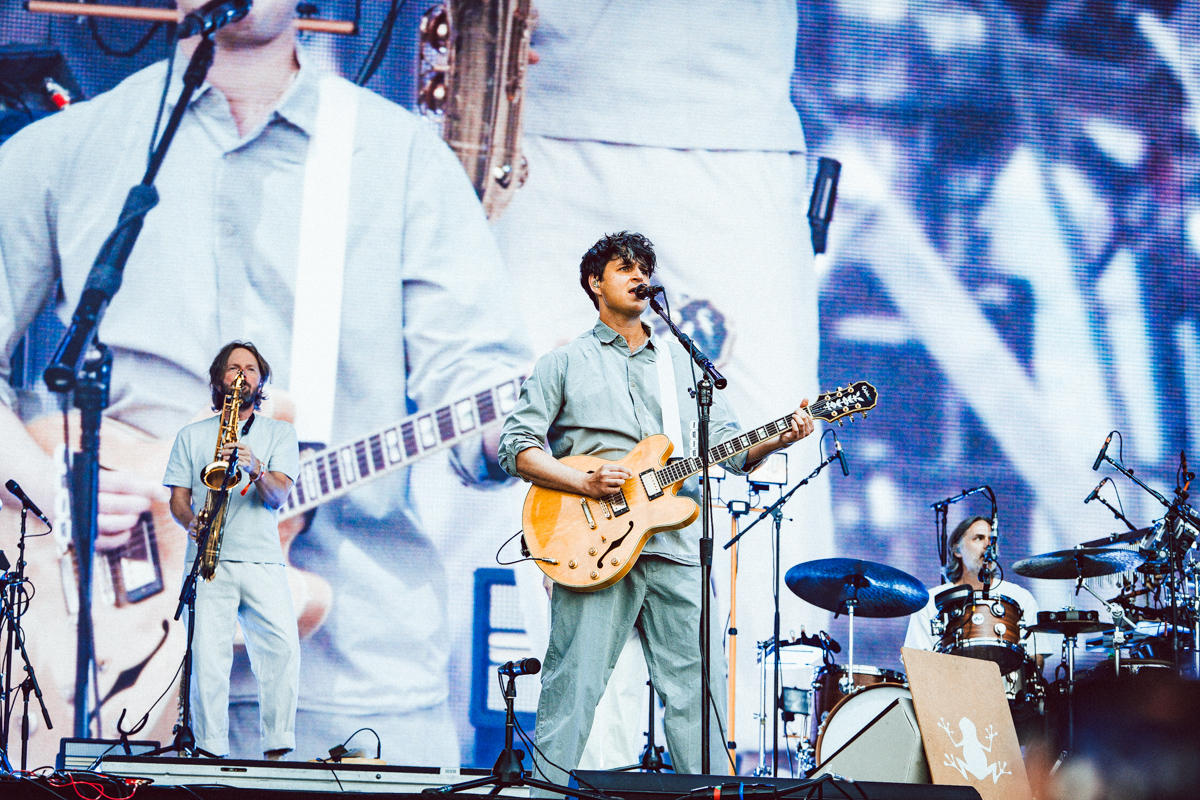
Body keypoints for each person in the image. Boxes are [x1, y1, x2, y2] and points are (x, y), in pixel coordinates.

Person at [0, 0, 528, 766]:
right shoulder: (68, 149)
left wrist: (518, 431)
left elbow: (474, 381)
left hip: (353, 676)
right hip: (115, 661)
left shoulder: (401, 157)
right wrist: (51, 485)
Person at [497, 231, 815, 784]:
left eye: (644, 268)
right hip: (595, 547)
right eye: (625, 268)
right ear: (595, 284)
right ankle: (546, 792)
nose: (639, 276)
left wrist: (778, 438)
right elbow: (516, 448)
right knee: (573, 685)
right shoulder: (564, 362)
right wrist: (583, 479)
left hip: (676, 547)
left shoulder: (683, 366)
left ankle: (710, 796)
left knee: (698, 691)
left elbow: (732, 450)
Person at [164, 342, 300, 759]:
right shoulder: (191, 435)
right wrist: (191, 522)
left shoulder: (280, 433)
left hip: (262, 559)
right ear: (219, 378)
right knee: (207, 658)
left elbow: (278, 497)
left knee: (282, 650)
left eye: (251, 368)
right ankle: (209, 749)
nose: (242, 374)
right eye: (233, 367)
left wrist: (256, 468)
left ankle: (277, 747)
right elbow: (178, 499)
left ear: (260, 381)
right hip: (209, 561)